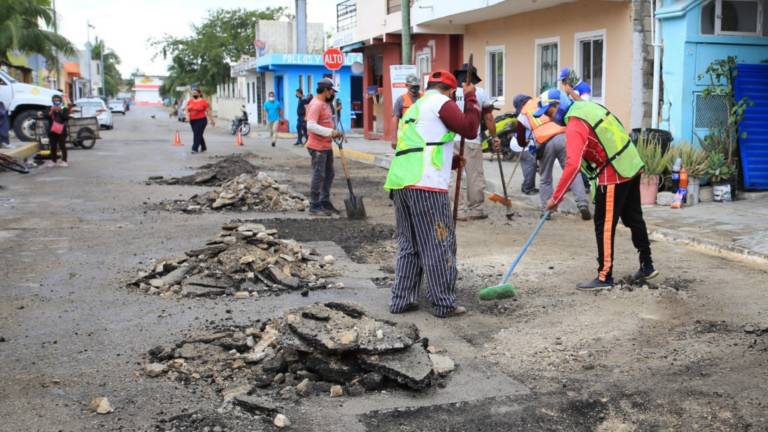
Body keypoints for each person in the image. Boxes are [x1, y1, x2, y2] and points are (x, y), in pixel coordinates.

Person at [384, 70, 481, 318]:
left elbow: (422, 145)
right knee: (438, 243)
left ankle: (402, 300)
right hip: (425, 186)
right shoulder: (440, 101)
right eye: (455, 94)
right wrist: (471, 98)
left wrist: (451, 159)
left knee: (410, 245)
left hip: (401, 181)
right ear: (451, 90)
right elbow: (470, 128)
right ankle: (444, 303)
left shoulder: (417, 106)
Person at [538, 90, 657, 291]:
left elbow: (573, 164)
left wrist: (555, 198)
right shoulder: (585, 106)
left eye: (549, 113)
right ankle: (647, 266)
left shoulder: (575, 123)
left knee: (604, 226)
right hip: (630, 163)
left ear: (557, 105)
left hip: (614, 173)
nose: (550, 118)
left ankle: (604, 276)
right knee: (633, 218)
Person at [513, 93, 591, 221]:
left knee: (545, 178)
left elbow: (520, 140)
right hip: (562, 137)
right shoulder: (541, 101)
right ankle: (582, 203)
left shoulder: (522, 114)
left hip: (544, 144)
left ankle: (546, 211)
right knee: (573, 171)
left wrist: (525, 142)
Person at [449, 63, 498, 221]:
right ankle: (476, 211)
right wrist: (494, 136)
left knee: (452, 175)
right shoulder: (481, 92)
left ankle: (457, 210)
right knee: (474, 175)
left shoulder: (451, 92)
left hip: (450, 139)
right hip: (472, 139)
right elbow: (488, 117)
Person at [305, 78, 343, 216]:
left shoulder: (325, 103)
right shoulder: (316, 105)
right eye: (332, 91)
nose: (333, 94)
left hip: (326, 144)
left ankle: (324, 201)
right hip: (317, 146)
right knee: (318, 175)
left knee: (329, 175)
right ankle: (314, 204)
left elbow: (328, 121)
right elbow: (311, 125)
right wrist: (330, 132)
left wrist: (336, 133)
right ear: (326, 90)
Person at [512, 101, 540, 196]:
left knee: (528, 164)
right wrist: (525, 142)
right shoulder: (524, 116)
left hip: (518, 144)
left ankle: (525, 186)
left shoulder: (529, 116)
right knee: (531, 163)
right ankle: (529, 188)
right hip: (519, 145)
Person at [390, 73, 423, 150]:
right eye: (413, 86)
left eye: (417, 86)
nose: (415, 88)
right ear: (406, 85)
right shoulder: (401, 100)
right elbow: (395, 120)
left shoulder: (424, 98)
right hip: (407, 137)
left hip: (422, 136)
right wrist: (394, 139)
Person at [37, 94, 70, 167]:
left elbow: (66, 118)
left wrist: (60, 110)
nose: (56, 102)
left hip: (62, 130)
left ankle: (64, 160)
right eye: (55, 101)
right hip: (52, 129)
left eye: (57, 101)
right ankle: (53, 161)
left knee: (62, 145)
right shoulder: (50, 108)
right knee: (53, 146)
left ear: (60, 101)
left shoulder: (64, 108)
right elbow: (46, 116)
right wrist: (52, 111)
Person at [184, 87, 215, 154]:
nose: (194, 94)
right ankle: (203, 147)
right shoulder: (190, 101)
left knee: (197, 133)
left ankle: (194, 148)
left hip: (201, 120)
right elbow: (187, 109)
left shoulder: (204, 101)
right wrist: (187, 117)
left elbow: (208, 112)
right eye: (193, 93)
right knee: (198, 134)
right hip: (193, 120)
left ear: (199, 93)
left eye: (195, 93)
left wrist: (212, 121)